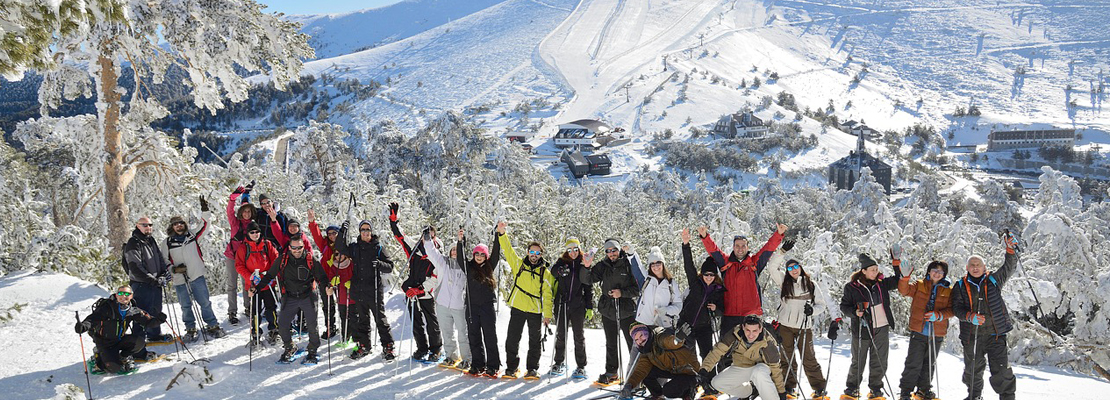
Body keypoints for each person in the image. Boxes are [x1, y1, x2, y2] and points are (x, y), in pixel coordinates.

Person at [951, 233, 1020, 400]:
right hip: (971, 335)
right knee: (972, 369)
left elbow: (1008, 268)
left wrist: (1010, 251)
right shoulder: (960, 285)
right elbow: (956, 308)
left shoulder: (994, 280)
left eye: (978, 264)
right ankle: (974, 396)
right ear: (967, 268)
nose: (975, 267)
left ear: (984, 267)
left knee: (1001, 370)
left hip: (995, 334)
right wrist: (969, 316)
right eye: (972, 265)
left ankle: (1007, 397)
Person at [252, 234, 333, 364]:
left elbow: (322, 277)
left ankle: (312, 349)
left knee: (312, 326)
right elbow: (270, 276)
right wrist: (256, 288)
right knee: (283, 324)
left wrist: (327, 286)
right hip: (290, 296)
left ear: (303, 246)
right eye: (294, 248)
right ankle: (289, 347)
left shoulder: (310, 259)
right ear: (289, 248)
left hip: (308, 296)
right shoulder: (282, 260)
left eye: (299, 248)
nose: (297, 251)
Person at [696, 224, 787, 335]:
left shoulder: (754, 264)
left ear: (747, 247)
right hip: (729, 316)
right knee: (727, 349)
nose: (740, 249)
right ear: (733, 247)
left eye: (743, 246)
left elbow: (768, 249)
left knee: (751, 350)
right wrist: (705, 236)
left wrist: (778, 234)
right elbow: (714, 251)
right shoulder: (726, 264)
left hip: (750, 316)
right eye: (737, 246)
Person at [159, 196, 227, 343]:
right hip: (179, 278)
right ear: (172, 227)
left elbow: (205, 224)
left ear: (184, 225)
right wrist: (174, 269)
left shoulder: (193, 236)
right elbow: (163, 260)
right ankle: (190, 328)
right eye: (175, 225)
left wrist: (205, 210)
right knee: (185, 305)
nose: (179, 226)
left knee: (204, 302)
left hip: (196, 275)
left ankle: (212, 325)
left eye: (181, 223)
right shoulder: (167, 242)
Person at [494, 221, 555, 380]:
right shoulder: (519, 265)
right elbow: (508, 250)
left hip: (535, 311)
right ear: (527, 252)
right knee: (512, 340)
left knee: (535, 342)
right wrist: (502, 233)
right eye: (532, 252)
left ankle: (532, 369)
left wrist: (547, 315)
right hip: (518, 308)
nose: (534, 256)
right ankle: (511, 368)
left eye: (537, 254)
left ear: (541, 255)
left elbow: (548, 296)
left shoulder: (545, 273)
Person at [767, 253, 831, 400]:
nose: (793, 269)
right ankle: (789, 388)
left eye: (796, 266)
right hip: (785, 326)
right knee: (786, 358)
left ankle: (820, 389)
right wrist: (781, 252)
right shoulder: (784, 282)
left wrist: (812, 310)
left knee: (809, 358)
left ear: (800, 267)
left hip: (804, 327)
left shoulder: (811, 284)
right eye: (790, 268)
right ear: (787, 270)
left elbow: (821, 305)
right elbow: (772, 268)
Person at [839, 253, 903, 400]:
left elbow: (898, 280)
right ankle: (852, 389)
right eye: (872, 269)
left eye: (876, 269)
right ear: (864, 271)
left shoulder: (882, 283)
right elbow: (844, 306)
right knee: (858, 360)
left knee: (880, 360)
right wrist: (855, 312)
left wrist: (896, 264)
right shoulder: (852, 287)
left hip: (881, 327)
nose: (875, 272)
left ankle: (876, 389)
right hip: (862, 328)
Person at [334, 219, 397, 361]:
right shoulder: (354, 248)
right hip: (359, 290)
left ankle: (388, 347)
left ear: (371, 231)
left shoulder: (378, 247)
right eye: (363, 230)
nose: (365, 232)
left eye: (368, 230)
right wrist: (342, 232)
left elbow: (390, 266)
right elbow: (340, 247)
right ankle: (364, 346)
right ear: (360, 232)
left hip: (374, 290)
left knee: (380, 320)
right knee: (362, 320)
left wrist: (379, 264)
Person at [388, 202, 443, 362]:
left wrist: (421, 290)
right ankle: (422, 347)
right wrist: (393, 220)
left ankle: (436, 349)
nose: (427, 236)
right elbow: (400, 236)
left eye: (430, 233)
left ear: (434, 236)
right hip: (411, 290)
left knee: (431, 322)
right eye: (425, 233)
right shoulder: (414, 247)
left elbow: (436, 276)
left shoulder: (437, 252)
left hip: (426, 292)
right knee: (416, 322)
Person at [582, 238, 640, 386]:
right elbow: (587, 280)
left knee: (633, 343)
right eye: (608, 251)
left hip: (626, 310)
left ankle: (638, 373)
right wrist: (586, 266)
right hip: (608, 310)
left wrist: (622, 293)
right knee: (611, 343)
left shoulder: (628, 264)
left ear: (619, 250)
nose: (612, 253)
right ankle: (612, 372)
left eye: (614, 250)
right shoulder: (603, 265)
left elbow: (637, 288)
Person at [75, 285, 168, 374]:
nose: (124, 296)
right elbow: (92, 319)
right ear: (116, 295)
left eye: (127, 294)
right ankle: (97, 357)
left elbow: (148, 322)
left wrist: (159, 320)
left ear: (131, 296)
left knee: (139, 342)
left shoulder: (133, 310)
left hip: (119, 339)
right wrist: (83, 326)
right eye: (120, 293)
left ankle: (123, 357)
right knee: (114, 368)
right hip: (104, 342)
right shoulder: (107, 307)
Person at [896, 260, 953, 400]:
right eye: (934, 270)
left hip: (936, 333)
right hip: (919, 330)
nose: (937, 273)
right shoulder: (919, 285)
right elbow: (904, 291)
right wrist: (904, 278)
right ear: (929, 271)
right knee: (913, 362)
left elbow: (952, 310)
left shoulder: (949, 290)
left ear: (944, 274)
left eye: (941, 272)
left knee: (929, 363)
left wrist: (939, 315)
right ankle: (905, 391)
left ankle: (923, 390)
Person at [699, 315, 788, 400]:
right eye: (748, 330)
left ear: (760, 329)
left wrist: (781, 392)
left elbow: (775, 369)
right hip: (741, 367)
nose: (751, 335)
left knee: (758, 372)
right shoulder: (734, 334)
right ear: (743, 327)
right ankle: (750, 391)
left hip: (761, 369)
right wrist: (704, 369)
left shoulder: (767, 342)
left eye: (755, 331)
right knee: (717, 383)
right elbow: (717, 351)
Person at [423, 229, 472, 371]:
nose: (455, 252)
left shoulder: (465, 268)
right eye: (453, 250)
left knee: (463, 333)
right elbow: (432, 252)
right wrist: (427, 239)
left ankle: (467, 358)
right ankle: (451, 356)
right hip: (442, 304)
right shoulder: (443, 263)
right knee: (447, 332)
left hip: (459, 306)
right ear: (449, 252)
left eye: (457, 250)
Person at [675, 228, 725, 361]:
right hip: (687, 324)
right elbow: (688, 265)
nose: (708, 277)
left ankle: (707, 379)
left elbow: (723, 309)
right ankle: (690, 380)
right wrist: (686, 245)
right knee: (687, 356)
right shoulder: (695, 283)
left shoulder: (719, 290)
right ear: (702, 275)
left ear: (715, 276)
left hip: (704, 327)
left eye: (711, 275)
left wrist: (716, 309)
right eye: (706, 274)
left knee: (707, 356)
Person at [458, 232, 502, 378]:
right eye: (476, 254)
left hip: (487, 307)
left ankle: (493, 366)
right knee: (474, 336)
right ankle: (477, 364)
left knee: (490, 337)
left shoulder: (490, 266)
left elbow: (496, 252)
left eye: (482, 254)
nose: (479, 256)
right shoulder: (468, 267)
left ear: (486, 256)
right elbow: (460, 257)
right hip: (471, 307)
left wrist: (498, 235)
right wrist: (460, 242)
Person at [618, 323, 701, 400]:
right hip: (673, 370)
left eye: (641, 335)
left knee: (669, 391)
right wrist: (629, 385)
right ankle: (658, 396)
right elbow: (640, 370)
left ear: (647, 332)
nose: (640, 340)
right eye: (636, 339)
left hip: (688, 371)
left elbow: (669, 341)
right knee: (646, 373)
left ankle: (689, 390)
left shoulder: (659, 337)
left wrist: (677, 339)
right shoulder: (646, 350)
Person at [549, 237, 593, 378]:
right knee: (561, 334)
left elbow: (588, 287)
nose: (573, 252)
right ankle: (558, 362)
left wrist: (589, 306)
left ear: (579, 249)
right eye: (570, 250)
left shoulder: (583, 263)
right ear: (566, 251)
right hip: (562, 303)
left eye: (575, 249)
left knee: (578, 336)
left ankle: (581, 366)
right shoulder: (562, 262)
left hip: (577, 305)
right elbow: (553, 271)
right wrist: (560, 270)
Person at [122, 216, 172, 343]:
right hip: (141, 284)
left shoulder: (151, 240)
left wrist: (163, 274)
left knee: (155, 309)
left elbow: (159, 259)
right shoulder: (133, 242)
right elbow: (135, 267)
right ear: (137, 226)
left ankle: (154, 334)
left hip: (155, 283)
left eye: (150, 225)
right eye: (144, 225)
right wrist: (152, 279)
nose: (148, 227)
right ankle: (138, 339)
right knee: (141, 312)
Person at [236, 221, 280, 346]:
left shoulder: (267, 244)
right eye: (252, 232)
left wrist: (271, 275)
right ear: (248, 233)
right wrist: (250, 277)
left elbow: (276, 260)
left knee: (270, 307)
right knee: (255, 310)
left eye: (257, 232)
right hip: (253, 285)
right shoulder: (243, 247)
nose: (255, 234)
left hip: (267, 282)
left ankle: (273, 330)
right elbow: (239, 265)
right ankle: (255, 334)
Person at [223, 183, 255, 324]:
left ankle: (248, 307)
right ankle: (232, 312)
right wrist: (232, 198)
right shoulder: (235, 223)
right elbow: (230, 211)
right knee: (232, 285)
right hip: (232, 256)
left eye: (249, 211)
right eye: (244, 211)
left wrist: (246, 193)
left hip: (245, 258)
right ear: (241, 212)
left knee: (246, 283)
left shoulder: (253, 225)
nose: (246, 214)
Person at [307, 208, 341, 338]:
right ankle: (330, 327)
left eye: (334, 233)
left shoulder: (342, 245)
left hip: (339, 278)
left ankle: (346, 327)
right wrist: (312, 222)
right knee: (328, 305)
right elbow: (316, 235)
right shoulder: (324, 245)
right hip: (325, 279)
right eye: (330, 233)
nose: (332, 235)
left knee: (342, 304)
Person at [633, 246, 683, 328]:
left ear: (663, 264)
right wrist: (631, 253)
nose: (656, 267)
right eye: (652, 264)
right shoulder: (646, 280)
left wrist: (666, 310)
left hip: (664, 325)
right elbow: (637, 267)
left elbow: (678, 305)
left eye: (658, 263)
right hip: (644, 323)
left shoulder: (671, 283)